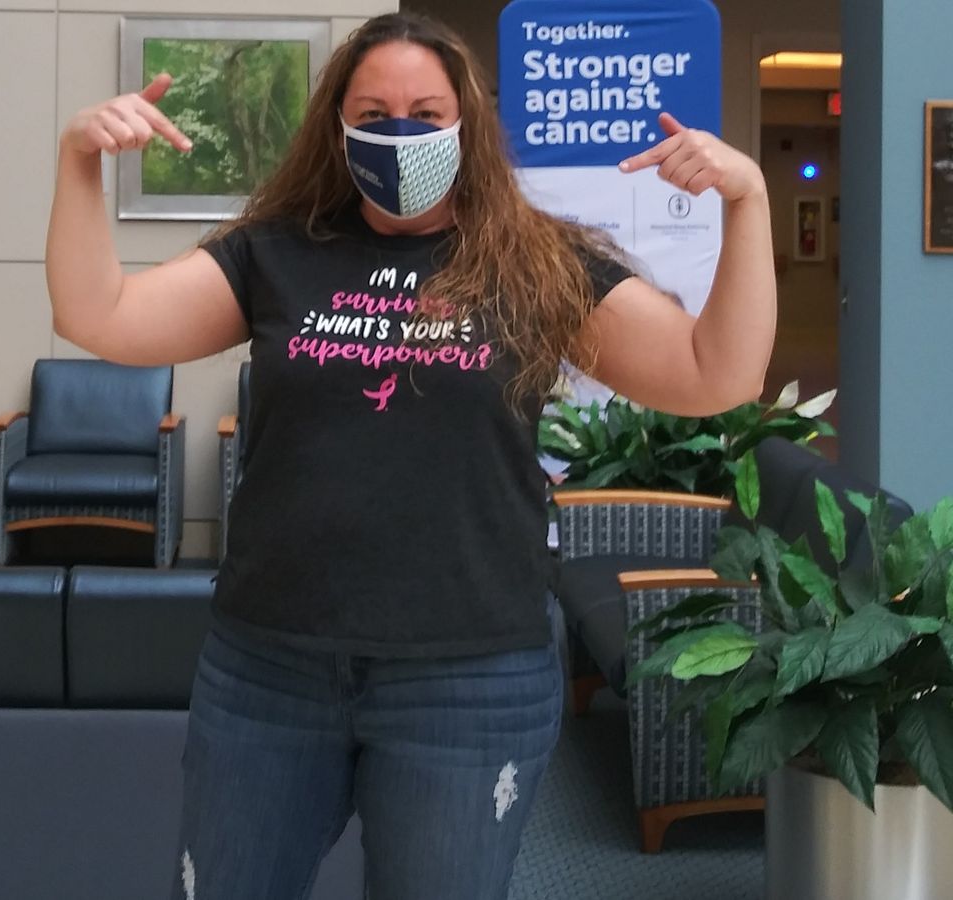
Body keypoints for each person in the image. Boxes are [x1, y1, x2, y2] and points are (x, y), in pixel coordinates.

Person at [46, 12, 775, 900]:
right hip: (272, 666)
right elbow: (100, 316)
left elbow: (715, 375)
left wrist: (748, 202)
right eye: (374, 113)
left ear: (467, 125)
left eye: (426, 114)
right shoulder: (276, 251)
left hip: (469, 677)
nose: (400, 133)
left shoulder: (535, 263)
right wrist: (79, 163)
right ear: (337, 127)